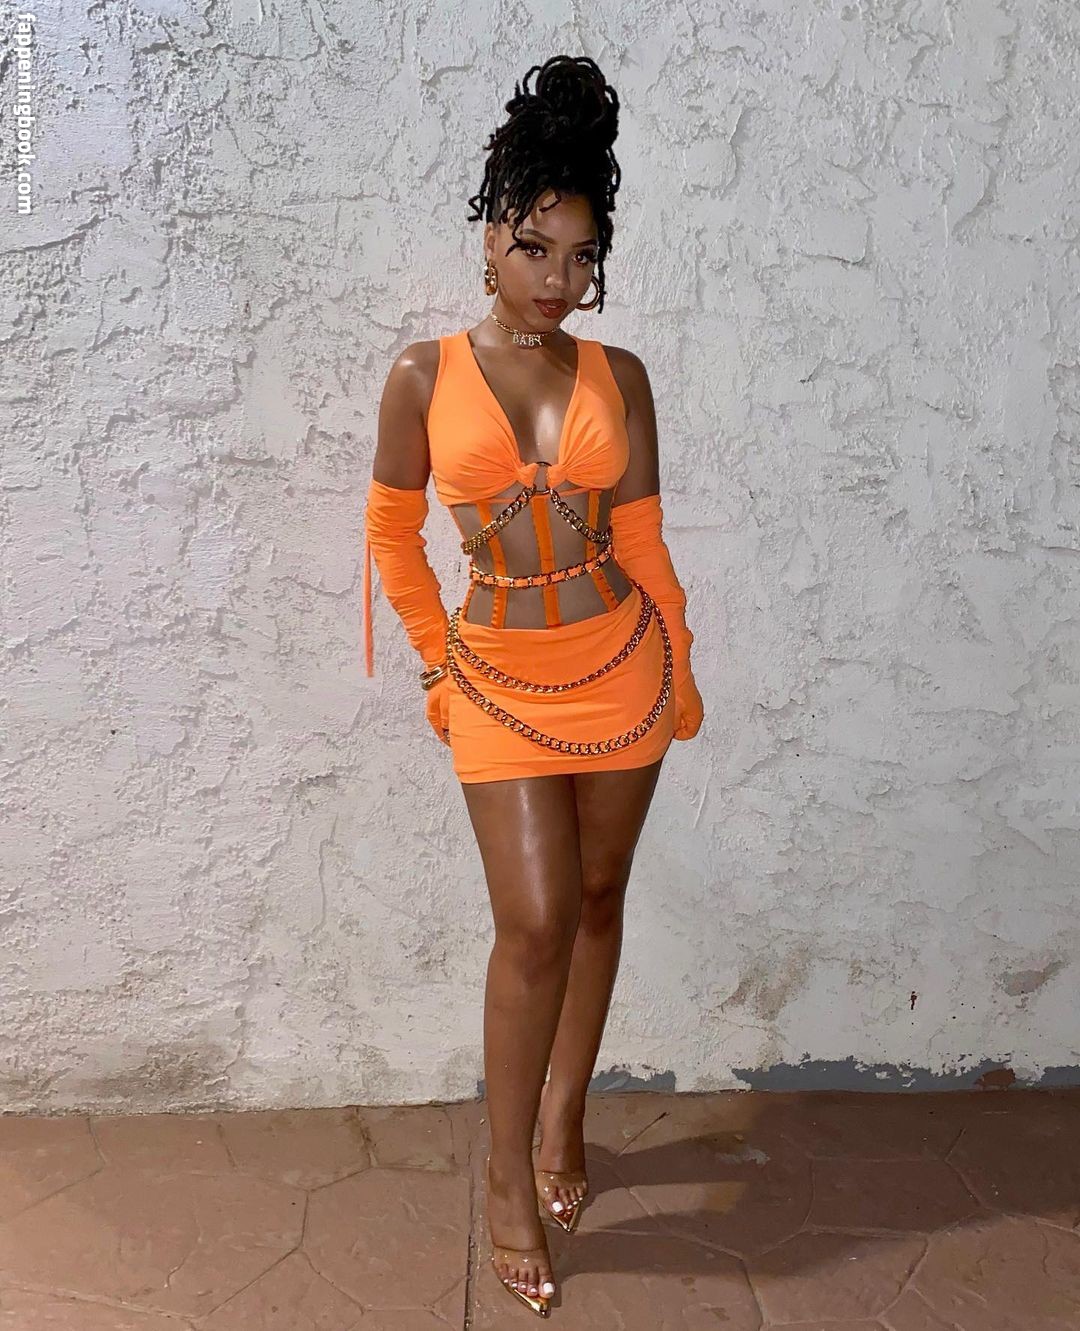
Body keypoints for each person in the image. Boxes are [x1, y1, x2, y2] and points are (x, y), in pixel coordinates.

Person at [362, 54, 704, 1318]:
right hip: (501, 678)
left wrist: (681, 663)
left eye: (580, 256)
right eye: (534, 247)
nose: (557, 278)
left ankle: (567, 1115)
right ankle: (505, 1168)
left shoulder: (623, 376)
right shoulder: (424, 373)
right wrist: (435, 660)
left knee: (601, 895)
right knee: (536, 918)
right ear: (489, 236)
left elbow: (645, 538)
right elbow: (392, 533)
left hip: (620, 668)